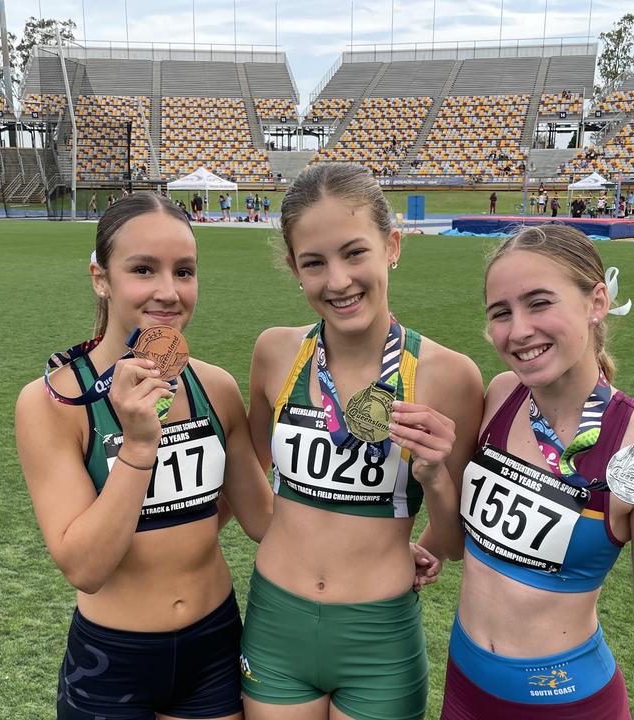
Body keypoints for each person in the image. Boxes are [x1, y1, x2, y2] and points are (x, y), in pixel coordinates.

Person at [433, 224, 634, 719]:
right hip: (463, 687)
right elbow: (473, 540)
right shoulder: (501, 396)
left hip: (565, 703)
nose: (518, 330)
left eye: (540, 303)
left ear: (596, 302)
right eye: (501, 313)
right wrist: (431, 528)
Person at [15, 192, 274, 720]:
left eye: (184, 271)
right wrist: (137, 447)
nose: (168, 292)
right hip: (112, 661)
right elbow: (86, 566)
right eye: (143, 269)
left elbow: (263, 520)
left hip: (214, 648)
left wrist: (375, 545)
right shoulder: (53, 403)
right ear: (100, 278)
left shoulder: (215, 387)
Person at [241, 162, 484, 720]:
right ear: (294, 270)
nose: (338, 281)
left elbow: (452, 542)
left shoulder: (451, 376)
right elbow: (257, 464)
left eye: (355, 253)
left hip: (381, 637)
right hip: (276, 623)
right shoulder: (274, 354)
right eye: (314, 263)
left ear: (392, 246)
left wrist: (435, 481)